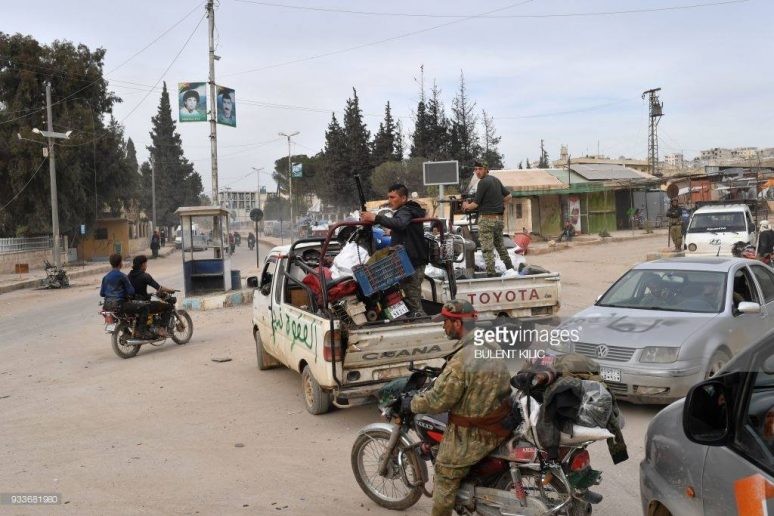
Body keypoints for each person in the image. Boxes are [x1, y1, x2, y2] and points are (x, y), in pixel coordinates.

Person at [408, 300, 512, 516]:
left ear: (457, 324)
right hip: (500, 421)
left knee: (444, 473)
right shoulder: (491, 344)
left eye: (445, 321)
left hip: (475, 433)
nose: (443, 326)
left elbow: (439, 401)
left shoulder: (461, 359)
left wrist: (414, 403)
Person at [360, 183, 428, 317]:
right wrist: (393, 232)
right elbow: (405, 228)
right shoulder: (409, 210)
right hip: (410, 260)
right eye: (388, 197)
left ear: (403, 198)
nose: (389, 201)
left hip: (412, 262)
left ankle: (421, 323)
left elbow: (401, 223)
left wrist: (375, 218)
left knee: (412, 299)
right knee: (408, 296)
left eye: (392, 197)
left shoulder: (406, 210)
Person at [462, 161, 516, 277]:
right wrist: (497, 203)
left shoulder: (482, 183)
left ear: (486, 169)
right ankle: (510, 268)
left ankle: (491, 274)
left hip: (486, 220)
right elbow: (509, 196)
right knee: (500, 246)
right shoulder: (495, 180)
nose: (477, 171)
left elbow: (475, 204)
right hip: (499, 220)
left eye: (480, 169)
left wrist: (466, 206)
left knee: (487, 249)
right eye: (475, 169)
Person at [100, 253, 152, 339]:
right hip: (120, 305)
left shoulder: (105, 277)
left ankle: (126, 332)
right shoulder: (122, 276)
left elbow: (102, 293)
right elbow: (131, 291)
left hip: (107, 306)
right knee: (145, 307)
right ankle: (141, 331)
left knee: (122, 317)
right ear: (120, 263)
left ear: (111, 263)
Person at [128, 255, 175, 337]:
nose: (146, 266)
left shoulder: (129, 275)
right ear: (142, 265)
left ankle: (150, 326)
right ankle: (162, 328)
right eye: (146, 264)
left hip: (133, 304)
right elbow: (159, 288)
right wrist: (170, 290)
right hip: (144, 304)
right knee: (168, 306)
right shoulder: (145, 276)